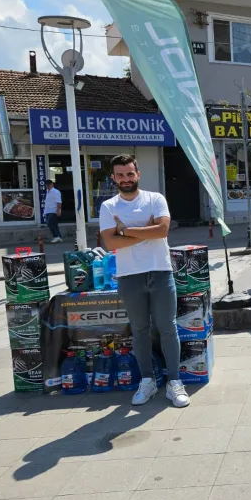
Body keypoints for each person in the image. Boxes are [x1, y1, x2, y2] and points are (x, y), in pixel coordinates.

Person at [99, 154, 189, 408]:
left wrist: (125, 230)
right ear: (113, 178)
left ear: (137, 174)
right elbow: (111, 243)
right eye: (120, 175)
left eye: (130, 173)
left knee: (167, 327)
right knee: (139, 330)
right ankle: (147, 380)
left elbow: (162, 230)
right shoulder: (109, 206)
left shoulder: (155, 199)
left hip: (160, 271)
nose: (125, 179)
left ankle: (174, 382)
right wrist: (144, 232)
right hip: (129, 276)